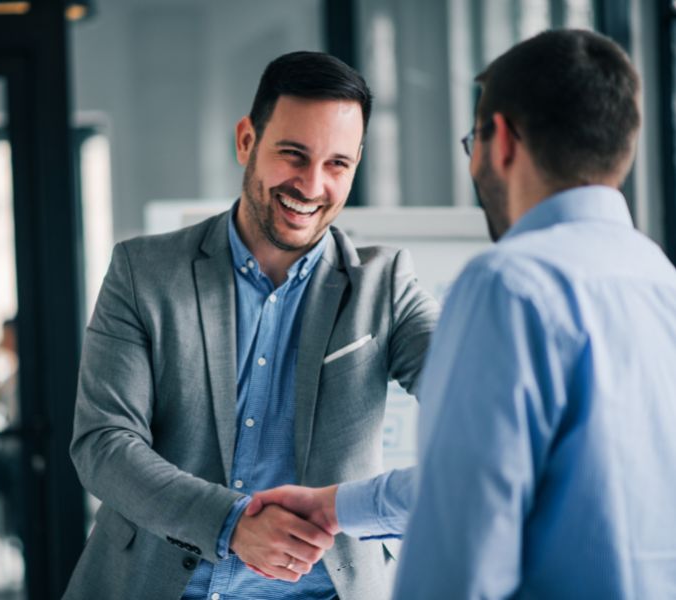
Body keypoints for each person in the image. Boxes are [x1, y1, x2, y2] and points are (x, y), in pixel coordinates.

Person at [249, 29, 676, 598]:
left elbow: (462, 540)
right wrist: (336, 506)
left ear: (498, 141)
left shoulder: (509, 283)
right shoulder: (659, 280)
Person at [64, 51, 439, 600]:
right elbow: (103, 444)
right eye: (293, 154)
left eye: (338, 164)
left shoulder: (385, 286)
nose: (312, 186)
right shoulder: (142, 272)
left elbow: (482, 413)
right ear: (246, 141)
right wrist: (231, 523)